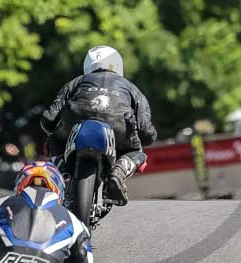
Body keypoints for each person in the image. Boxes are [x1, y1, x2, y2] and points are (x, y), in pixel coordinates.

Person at [41, 45, 157, 206]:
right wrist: (146, 138)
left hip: (75, 123)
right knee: (137, 154)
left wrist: (52, 130)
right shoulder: (132, 88)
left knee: (54, 140)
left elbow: (49, 118)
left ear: (88, 65)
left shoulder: (76, 82)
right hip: (119, 128)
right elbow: (146, 131)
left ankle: (61, 171)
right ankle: (119, 170)